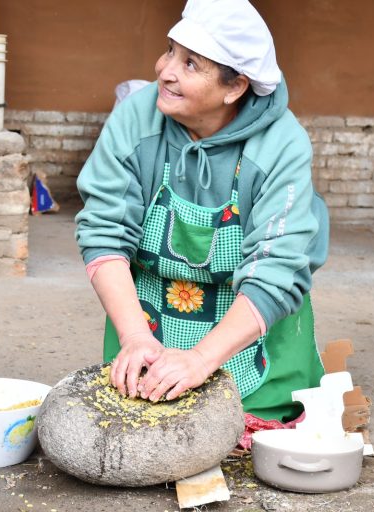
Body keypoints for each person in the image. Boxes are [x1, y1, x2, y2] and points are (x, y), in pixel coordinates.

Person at [74, 0, 329, 424]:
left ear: (235, 88)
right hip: (150, 315)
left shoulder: (282, 145)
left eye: (190, 64)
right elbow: (104, 231)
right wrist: (136, 337)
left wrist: (199, 360)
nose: (165, 70)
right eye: (170, 50)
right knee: (138, 421)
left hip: (248, 333)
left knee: (242, 437)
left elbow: (278, 268)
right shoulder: (137, 118)